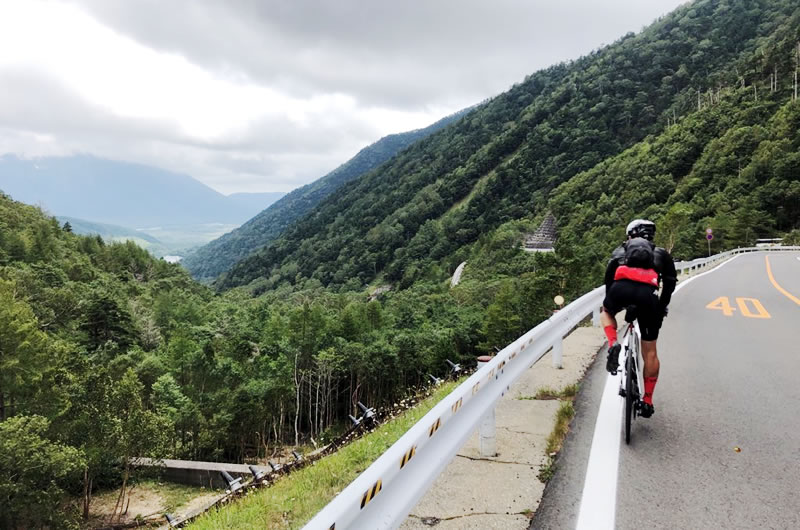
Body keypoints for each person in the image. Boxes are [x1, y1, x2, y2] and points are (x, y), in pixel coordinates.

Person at [600, 219, 677, 418]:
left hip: (620, 292)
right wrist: (660, 307)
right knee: (650, 351)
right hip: (648, 298)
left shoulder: (621, 251)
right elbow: (669, 285)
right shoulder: (660, 254)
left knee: (606, 311)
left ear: (630, 234)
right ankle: (647, 400)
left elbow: (609, 280)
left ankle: (612, 343)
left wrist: (613, 302)